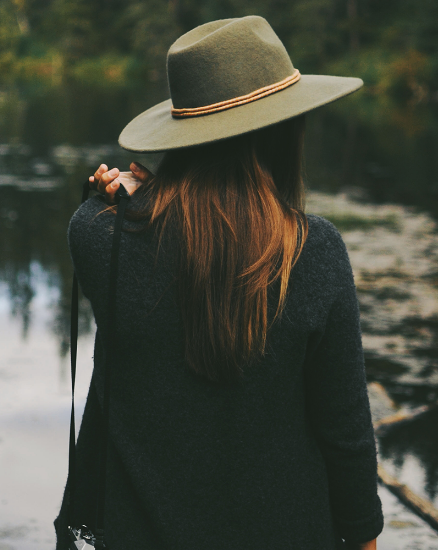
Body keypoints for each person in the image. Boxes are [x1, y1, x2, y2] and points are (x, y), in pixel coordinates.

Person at [55, 15, 384, 550]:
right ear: (283, 129)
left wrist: (133, 195)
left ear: (184, 132)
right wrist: (364, 542)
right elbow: (345, 434)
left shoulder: (97, 234)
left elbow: (169, 242)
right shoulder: (315, 251)